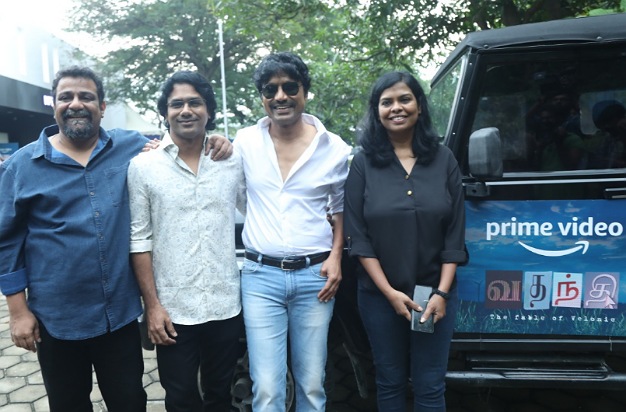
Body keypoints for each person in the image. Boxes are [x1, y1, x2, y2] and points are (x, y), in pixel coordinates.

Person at [0, 66, 232, 412]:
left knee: (130, 402)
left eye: (86, 97)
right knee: (68, 405)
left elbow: (180, 141)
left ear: (102, 106)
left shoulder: (130, 147)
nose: (76, 104)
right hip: (57, 319)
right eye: (66, 97)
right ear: (54, 105)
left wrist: (216, 140)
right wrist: (18, 312)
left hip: (119, 316)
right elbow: (6, 241)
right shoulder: (22, 166)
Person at [343, 71, 468, 412]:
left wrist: (441, 293)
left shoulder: (444, 159)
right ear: (377, 111)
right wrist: (389, 293)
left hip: (433, 296)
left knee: (430, 385)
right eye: (387, 102)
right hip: (379, 297)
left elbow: (454, 234)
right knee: (390, 381)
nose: (396, 108)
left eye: (404, 99)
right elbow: (358, 237)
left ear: (419, 106)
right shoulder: (363, 164)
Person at [233, 52, 351, 411]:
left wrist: (336, 257)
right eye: (270, 90)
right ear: (262, 97)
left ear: (305, 91)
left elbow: (340, 209)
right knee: (268, 388)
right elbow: (237, 194)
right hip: (260, 278)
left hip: (315, 278)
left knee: (312, 385)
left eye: (289, 87)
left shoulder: (334, 148)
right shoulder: (245, 142)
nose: (280, 96)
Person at [128, 71, 246, 411]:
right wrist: (152, 306)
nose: (186, 110)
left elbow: (258, 207)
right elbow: (139, 240)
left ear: (208, 110)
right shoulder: (143, 166)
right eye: (176, 104)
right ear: (165, 113)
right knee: (180, 398)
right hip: (173, 310)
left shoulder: (231, 160)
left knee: (220, 396)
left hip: (225, 304)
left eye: (195, 102)